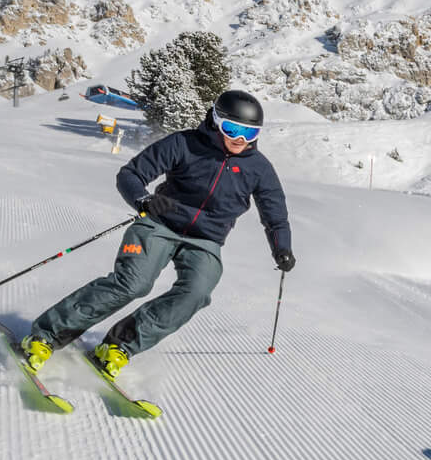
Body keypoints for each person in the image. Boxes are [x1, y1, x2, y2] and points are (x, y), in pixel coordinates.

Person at [22, 89, 296, 376]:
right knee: (133, 284)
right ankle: (45, 335)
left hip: (206, 240)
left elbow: (275, 214)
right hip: (159, 224)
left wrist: (282, 247)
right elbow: (131, 174)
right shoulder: (185, 143)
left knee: (196, 293)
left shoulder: (259, 168)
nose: (240, 139)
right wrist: (143, 201)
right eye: (232, 129)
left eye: (249, 133)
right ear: (216, 121)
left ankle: (118, 345)